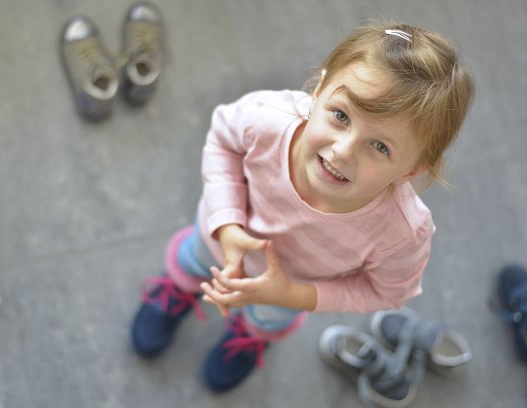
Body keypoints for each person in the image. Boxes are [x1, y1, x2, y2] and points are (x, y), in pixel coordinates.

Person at [130, 21, 475, 392]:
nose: (342, 151)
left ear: (411, 170)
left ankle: (250, 334)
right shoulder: (267, 120)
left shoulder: (402, 232)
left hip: (288, 289)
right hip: (216, 237)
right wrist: (228, 226)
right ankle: (178, 290)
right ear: (318, 89)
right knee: (193, 261)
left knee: (267, 317)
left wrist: (292, 295)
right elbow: (222, 140)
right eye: (340, 116)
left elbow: (388, 291)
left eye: (380, 147)